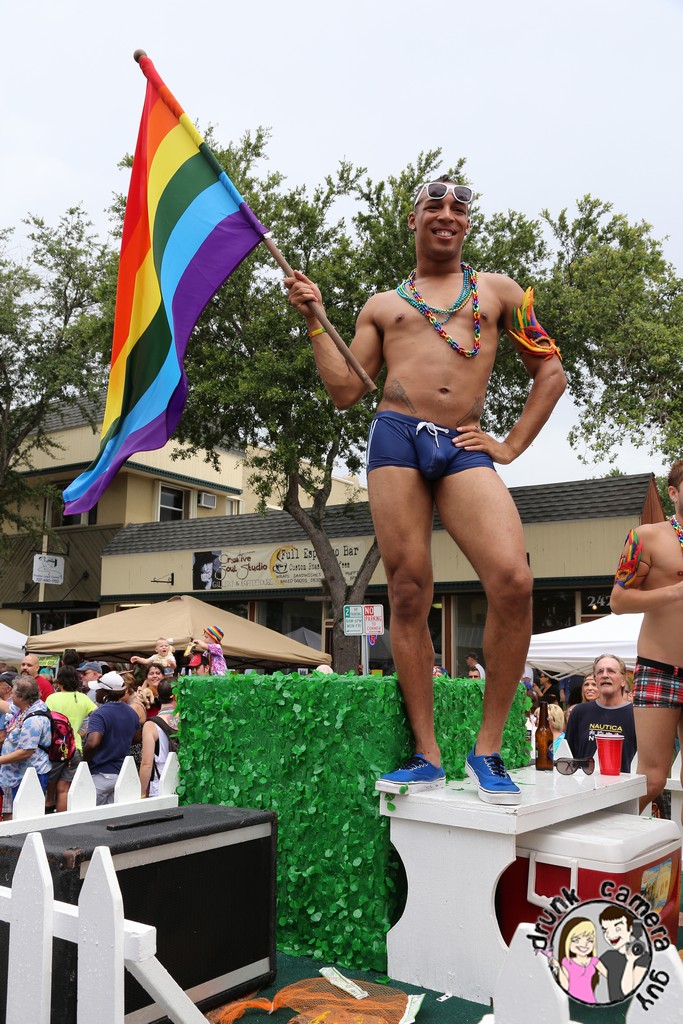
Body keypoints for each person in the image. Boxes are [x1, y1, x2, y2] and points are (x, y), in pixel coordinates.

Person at [286, 176, 566, 804]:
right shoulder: (383, 306)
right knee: (409, 589)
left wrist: (511, 445)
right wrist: (314, 320)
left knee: (513, 580)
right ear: (412, 221)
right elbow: (345, 390)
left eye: (457, 208)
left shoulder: (501, 292)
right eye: (433, 206)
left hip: (463, 445)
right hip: (394, 440)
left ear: (467, 224)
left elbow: (550, 371)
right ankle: (427, 752)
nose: (446, 215)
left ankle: (487, 750)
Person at [610, 459, 683, 812]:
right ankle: (610, 848)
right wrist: (675, 592)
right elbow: (618, 600)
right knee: (652, 779)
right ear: (673, 492)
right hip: (659, 669)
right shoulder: (646, 537)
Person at [564, 654, 636, 772]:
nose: (605, 675)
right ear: (596, 679)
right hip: (585, 786)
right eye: (600, 671)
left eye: (611, 671)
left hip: (623, 787)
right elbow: (568, 755)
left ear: (623, 680)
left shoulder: (635, 715)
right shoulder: (579, 712)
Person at [82, 671, 142, 805]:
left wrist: (84, 762)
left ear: (105, 693)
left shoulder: (99, 714)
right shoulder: (131, 712)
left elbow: (93, 743)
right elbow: (138, 737)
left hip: (100, 773)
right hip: (121, 774)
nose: (96, 693)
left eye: (98, 690)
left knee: (90, 817)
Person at [45, 665, 97, 811]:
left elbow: (46, 721)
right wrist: (84, 732)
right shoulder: (83, 698)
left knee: (50, 786)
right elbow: (98, 716)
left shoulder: (52, 698)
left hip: (55, 748)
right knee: (64, 788)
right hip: (75, 747)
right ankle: (62, 821)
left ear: (59, 681)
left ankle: (49, 808)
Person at [0, 676, 52, 800]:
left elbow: (26, 752)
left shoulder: (34, 720)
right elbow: (7, 707)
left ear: (22, 697)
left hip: (29, 776)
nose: (11, 695)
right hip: (18, 774)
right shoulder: (25, 707)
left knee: (25, 813)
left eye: (13, 693)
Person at [598, 905, 650, 1001]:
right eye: (605, 930)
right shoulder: (608, 956)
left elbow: (628, 992)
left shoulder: (643, 957)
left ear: (630, 929)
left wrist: (630, 961)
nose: (610, 935)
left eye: (617, 928)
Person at [551, 916, 607, 1003]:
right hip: (571, 1001)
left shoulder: (594, 961)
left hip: (590, 1001)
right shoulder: (566, 962)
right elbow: (565, 986)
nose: (584, 944)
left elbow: (610, 977)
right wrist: (558, 967)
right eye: (576, 940)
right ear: (567, 941)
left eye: (590, 940)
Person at [139, 678, 178, 797]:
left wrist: (141, 793)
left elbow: (147, 763)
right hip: (184, 783)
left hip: (160, 785)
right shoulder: (186, 719)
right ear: (176, 696)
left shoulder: (151, 725)